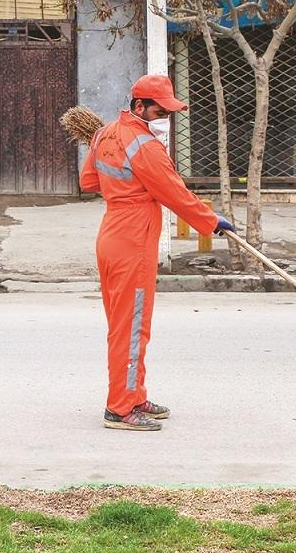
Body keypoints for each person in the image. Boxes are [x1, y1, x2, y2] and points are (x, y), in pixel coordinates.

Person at [80, 74, 235, 431]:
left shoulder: (105, 134)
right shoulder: (144, 146)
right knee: (131, 329)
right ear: (139, 106)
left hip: (112, 235)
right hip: (133, 241)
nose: (164, 116)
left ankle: (134, 395)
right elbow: (174, 193)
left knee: (129, 326)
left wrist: (124, 184)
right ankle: (120, 409)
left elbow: (88, 182)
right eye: (159, 110)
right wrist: (210, 221)